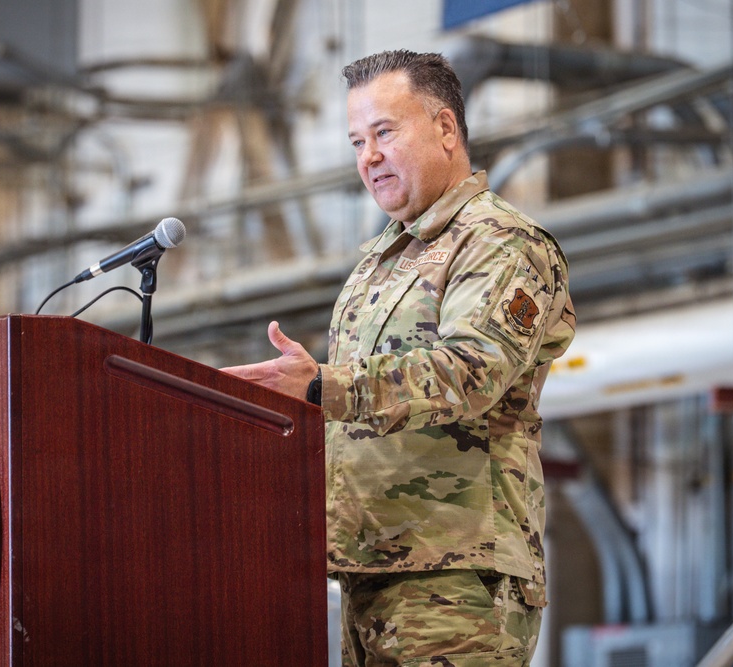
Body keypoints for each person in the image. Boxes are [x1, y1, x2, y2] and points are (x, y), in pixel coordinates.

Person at [222, 50, 576, 666]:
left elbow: (472, 371)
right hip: (368, 574)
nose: (369, 156)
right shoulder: (378, 264)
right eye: (357, 140)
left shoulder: (499, 241)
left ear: (445, 128)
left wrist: (320, 387)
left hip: (457, 580)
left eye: (385, 132)